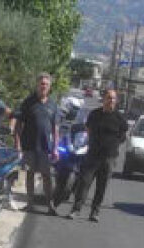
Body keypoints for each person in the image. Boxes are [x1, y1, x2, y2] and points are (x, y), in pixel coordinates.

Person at [65, 88, 129, 223]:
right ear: (104, 99)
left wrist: (112, 145)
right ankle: (76, 209)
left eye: (113, 98)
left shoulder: (120, 118)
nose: (111, 100)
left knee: (102, 186)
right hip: (92, 155)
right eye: (108, 97)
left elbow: (123, 136)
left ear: (116, 101)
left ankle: (95, 212)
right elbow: (88, 129)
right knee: (84, 183)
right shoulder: (94, 114)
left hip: (109, 158)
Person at [14, 73, 60, 214]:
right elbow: (18, 124)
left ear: (49, 87)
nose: (43, 86)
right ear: (37, 85)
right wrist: (18, 145)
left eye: (46, 84)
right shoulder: (28, 102)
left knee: (47, 176)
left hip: (46, 148)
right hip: (29, 146)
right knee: (30, 175)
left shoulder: (53, 104)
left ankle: (50, 206)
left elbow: (56, 128)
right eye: (41, 83)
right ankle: (29, 204)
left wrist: (55, 148)